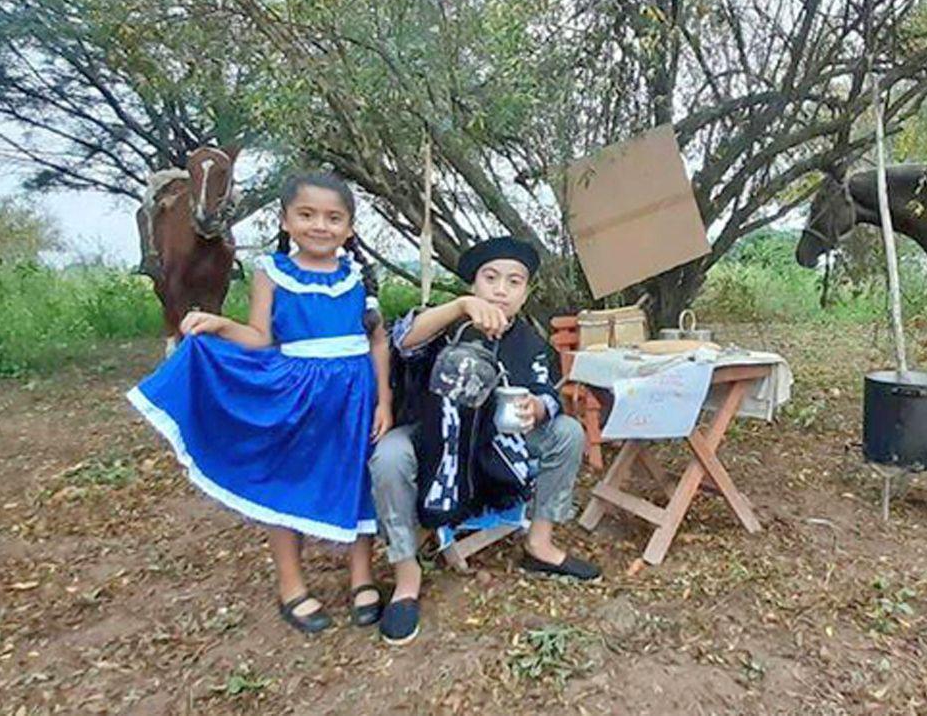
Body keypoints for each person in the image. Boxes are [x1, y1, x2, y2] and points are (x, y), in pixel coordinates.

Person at [126, 171, 392, 635]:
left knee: (358, 479)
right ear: (286, 220)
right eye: (306, 215)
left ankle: (362, 576)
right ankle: (292, 584)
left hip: (355, 394)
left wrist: (383, 399)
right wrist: (219, 326)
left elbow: (378, 342)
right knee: (286, 479)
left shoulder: (357, 276)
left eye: (333, 218)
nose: (320, 226)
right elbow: (260, 336)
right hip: (296, 393)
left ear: (349, 227)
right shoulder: (271, 272)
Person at [370, 236, 599, 646]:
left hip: (501, 442)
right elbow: (401, 340)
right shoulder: (444, 323)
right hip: (434, 437)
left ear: (526, 292)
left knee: (568, 432)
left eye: (514, 281)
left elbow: (549, 391)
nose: (500, 289)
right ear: (474, 284)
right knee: (388, 456)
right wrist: (458, 308)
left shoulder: (529, 343)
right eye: (490, 278)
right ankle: (407, 575)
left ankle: (540, 543)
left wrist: (540, 409)